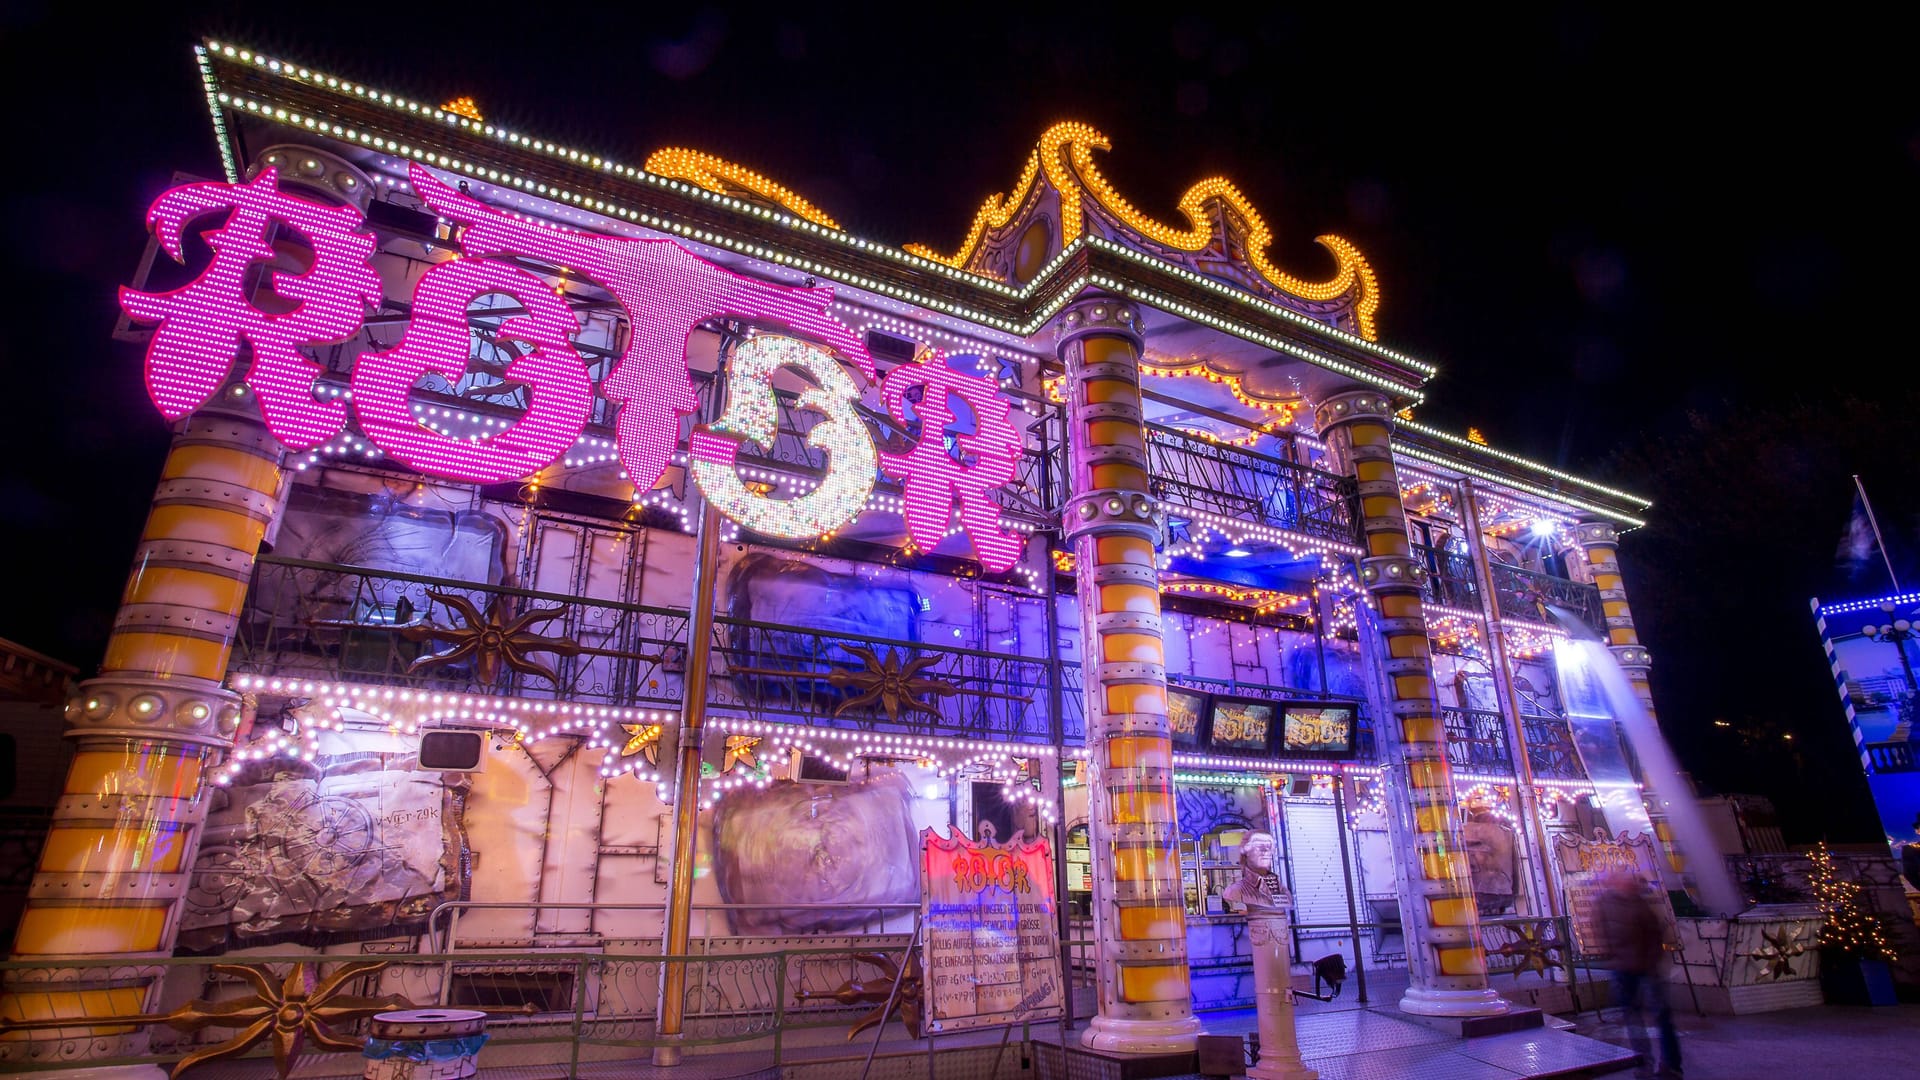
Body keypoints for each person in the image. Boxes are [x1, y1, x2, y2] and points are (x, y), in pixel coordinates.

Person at [1596, 870, 1682, 1078]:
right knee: (1638, 1018)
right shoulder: (1613, 903)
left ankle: (1667, 1064)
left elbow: (1654, 933)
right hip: (1628, 967)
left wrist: (1649, 960)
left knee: (1655, 1016)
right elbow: (1602, 932)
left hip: (1642, 967)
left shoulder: (1638, 903)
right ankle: (1647, 1063)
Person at [1220, 832, 1287, 912]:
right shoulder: (1233, 890)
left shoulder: (1279, 885)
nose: (1265, 853)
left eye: (1268, 849)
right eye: (1260, 848)